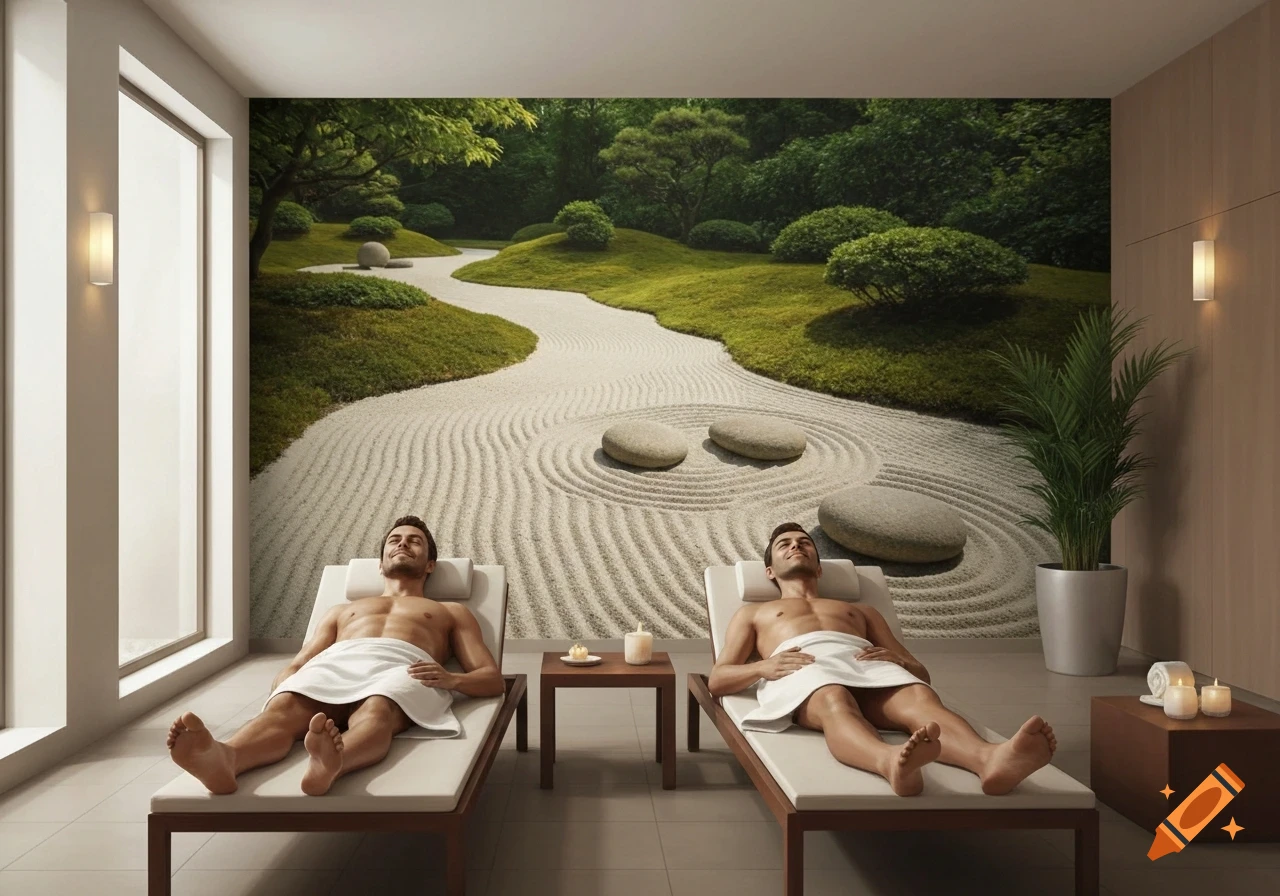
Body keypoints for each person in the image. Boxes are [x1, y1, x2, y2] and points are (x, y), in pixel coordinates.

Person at [708, 522, 1056, 797]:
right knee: (833, 698)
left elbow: (923, 674)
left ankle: (989, 760)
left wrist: (901, 662)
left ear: (819, 567)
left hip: (867, 665)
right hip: (807, 670)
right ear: (769, 571)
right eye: (785, 545)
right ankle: (889, 762)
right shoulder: (754, 613)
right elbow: (718, 679)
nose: (796, 546)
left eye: (804, 542)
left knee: (920, 699)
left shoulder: (859, 610)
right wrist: (763, 667)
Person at [167, 515, 504, 795]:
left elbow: (491, 678)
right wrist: (282, 688)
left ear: (430, 564)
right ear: (380, 563)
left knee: (377, 709)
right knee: (284, 709)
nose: (403, 543)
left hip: (402, 667)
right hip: (336, 664)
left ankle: (333, 763)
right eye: (394, 540)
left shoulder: (449, 610)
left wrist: (451, 679)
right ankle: (226, 759)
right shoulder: (342, 610)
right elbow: (303, 659)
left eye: (415, 541)